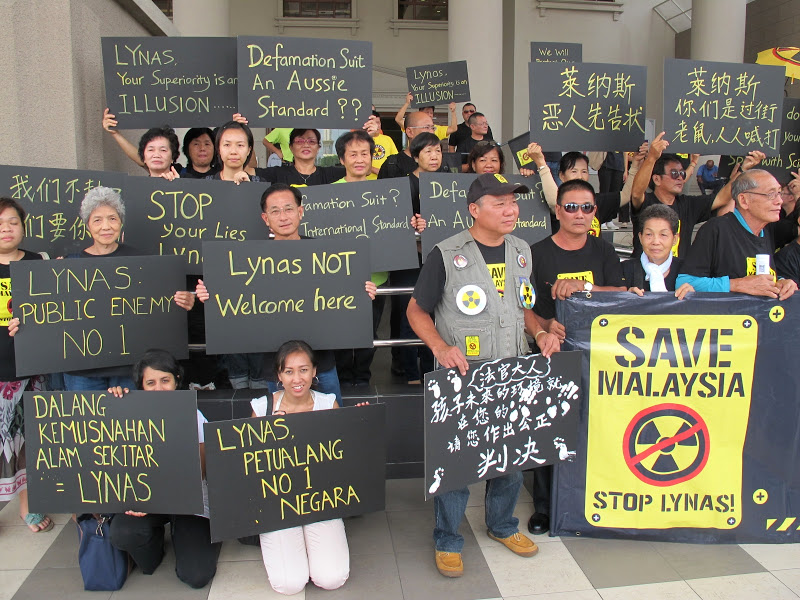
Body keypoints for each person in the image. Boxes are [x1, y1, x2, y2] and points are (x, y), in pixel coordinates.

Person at [407, 173, 560, 577]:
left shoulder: (522, 250)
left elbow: (523, 306)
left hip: (513, 371)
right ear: (474, 210)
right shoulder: (446, 252)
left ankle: (502, 525)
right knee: (456, 465)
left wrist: (540, 331)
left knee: (509, 458)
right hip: (465, 375)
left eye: (514, 202)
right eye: (499, 203)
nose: (511, 210)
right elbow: (416, 312)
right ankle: (448, 539)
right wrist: (440, 347)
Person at [196, 183, 378, 400]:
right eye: (275, 211)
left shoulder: (328, 255)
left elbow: (345, 295)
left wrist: (362, 291)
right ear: (266, 219)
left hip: (321, 362)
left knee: (332, 421)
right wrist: (211, 294)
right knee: (284, 426)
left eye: (289, 209)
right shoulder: (250, 260)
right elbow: (233, 298)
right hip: (277, 364)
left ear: (300, 212)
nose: (283, 216)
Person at [9, 187, 195, 391]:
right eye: (97, 220)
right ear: (87, 225)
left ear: (121, 223)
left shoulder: (142, 262)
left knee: (129, 422)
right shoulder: (68, 266)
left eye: (112, 219)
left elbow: (164, 303)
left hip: (130, 368)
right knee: (88, 424)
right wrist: (25, 322)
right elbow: (49, 316)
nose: (105, 226)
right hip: (82, 372)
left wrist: (185, 300)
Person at [527, 179, 626, 534]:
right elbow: (522, 306)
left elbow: (620, 292)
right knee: (547, 429)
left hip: (597, 357)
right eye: (571, 207)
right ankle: (544, 507)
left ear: (595, 212)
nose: (579, 214)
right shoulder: (535, 252)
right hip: (550, 352)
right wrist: (542, 328)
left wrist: (584, 287)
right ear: (558, 211)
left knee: (592, 428)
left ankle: (588, 495)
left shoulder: (604, 250)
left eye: (586, 207)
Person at [105, 349, 221, 589]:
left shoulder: (193, 415)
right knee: (123, 533)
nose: (158, 388)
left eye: (165, 380)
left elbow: (199, 472)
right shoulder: (129, 413)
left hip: (189, 501)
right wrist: (112, 403)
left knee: (197, 575)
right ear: (141, 387)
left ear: (177, 382)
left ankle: (195, 535)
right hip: (146, 501)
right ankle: (152, 547)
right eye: (150, 383)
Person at [253, 340, 361, 595]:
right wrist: (268, 438)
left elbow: (345, 458)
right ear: (279, 376)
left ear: (315, 371)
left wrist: (360, 423)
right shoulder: (262, 409)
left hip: (320, 501)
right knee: (289, 583)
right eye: (288, 371)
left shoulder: (328, 403)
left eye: (303, 370)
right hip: (279, 505)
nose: (296, 378)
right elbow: (253, 469)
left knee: (332, 578)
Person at [0, 198, 53, 533]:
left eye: (13, 222)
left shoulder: (39, 262)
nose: (6, 229)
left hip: (33, 368)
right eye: (0, 223)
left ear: (23, 225)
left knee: (29, 439)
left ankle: (27, 504)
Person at [630, 132, 764, 259]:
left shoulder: (688, 204)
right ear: (657, 179)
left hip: (678, 278)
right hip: (643, 275)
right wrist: (652, 157)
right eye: (674, 174)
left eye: (682, 174)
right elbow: (636, 193)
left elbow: (722, 198)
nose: (680, 178)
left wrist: (743, 169)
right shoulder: (647, 202)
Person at [676, 169, 797, 300]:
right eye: (770, 194)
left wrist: (781, 282)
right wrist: (736, 285)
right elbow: (684, 283)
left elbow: (759, 279)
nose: (779, 200)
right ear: (744, 200)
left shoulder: (766, 230)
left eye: (779, 193)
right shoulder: (716, 229)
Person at [524, 143, 645, 236]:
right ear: (561, 175)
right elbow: (554, 201)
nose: (580, 176)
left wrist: (635, 166)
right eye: (574, 171)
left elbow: (626, 195)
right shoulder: (555, 203)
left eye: (584, 171)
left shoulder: (597, 201)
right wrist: (540, 164)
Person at [621, 204, 695, 298]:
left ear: (675, 239)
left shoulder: (687, 271)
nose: (656, 242)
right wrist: (624, 297)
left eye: (663, 235)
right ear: (640, 237)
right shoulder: (624, 270)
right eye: (649, 234)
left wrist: (693, 296)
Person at [101, 109, 181, 180]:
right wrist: (115, 133)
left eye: (163, 150)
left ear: (172, 157)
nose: (156, 155)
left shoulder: (187, 181)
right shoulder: (137, 189)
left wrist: (179, 185)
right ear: (143, 158)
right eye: (151, 150)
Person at [256, 128, 344, 186]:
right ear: (291, 147)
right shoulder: (278, 174)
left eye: (311, 141)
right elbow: (247, 170)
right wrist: (242, 127)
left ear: (318, 148)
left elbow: (356, 173)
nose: (306, 145)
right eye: (299, 141)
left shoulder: (330, 174)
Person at [378, 110, 443, 179]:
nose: (431, 132)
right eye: (427, 127)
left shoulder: (440, 163)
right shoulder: (393, 165)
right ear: (409, 132)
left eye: (433, 128)